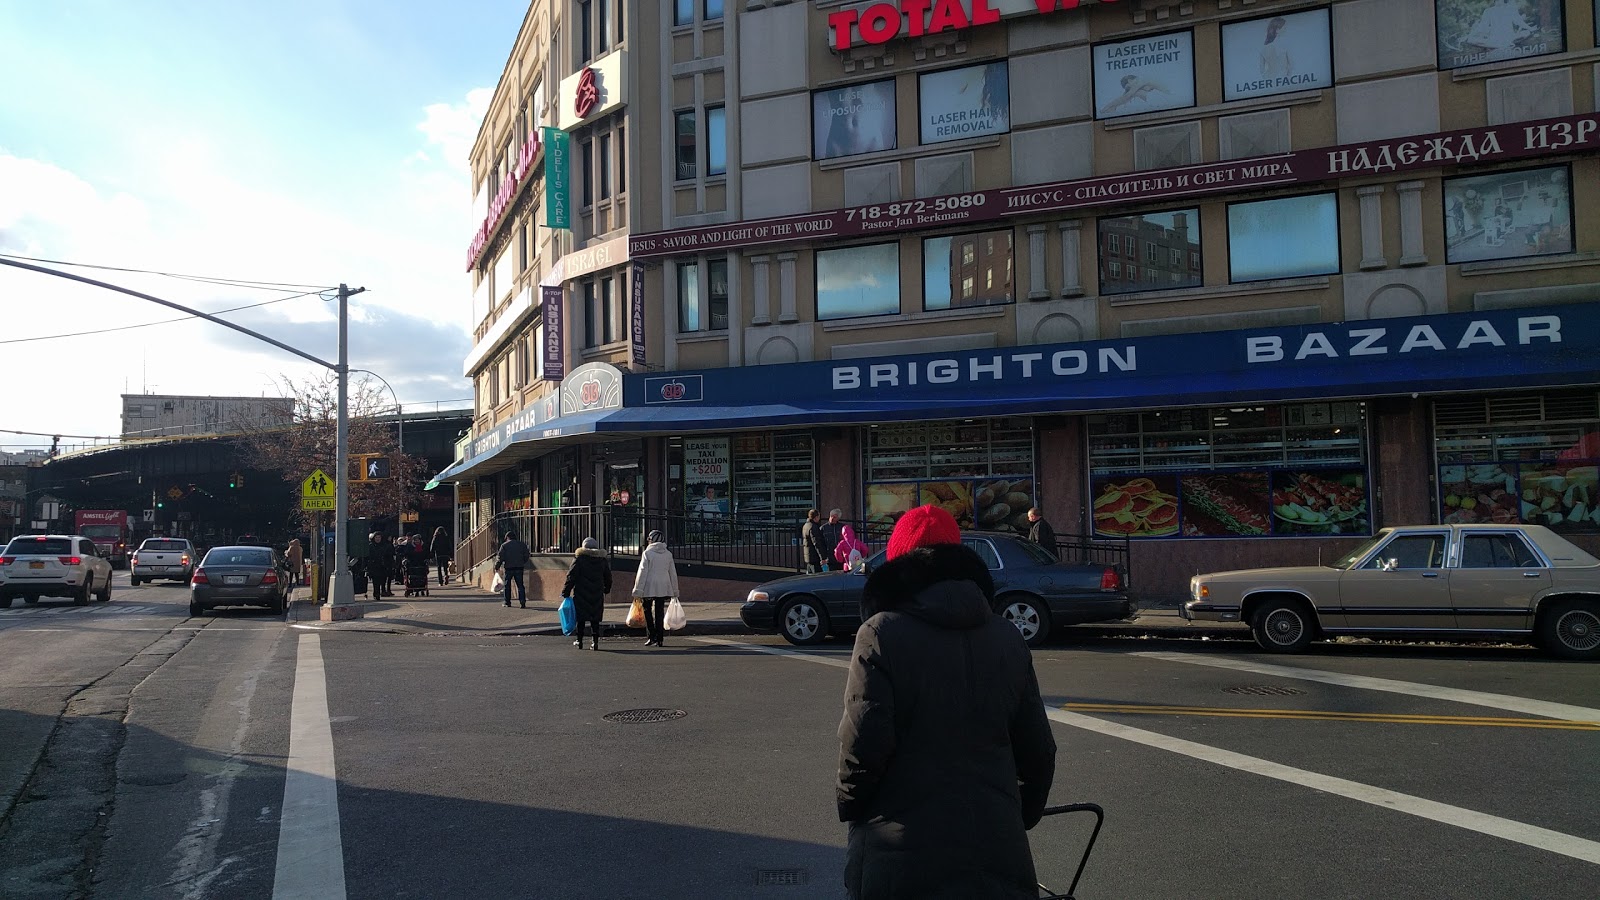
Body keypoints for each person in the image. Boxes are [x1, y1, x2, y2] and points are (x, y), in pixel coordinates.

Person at [836, 505, 1056, 900]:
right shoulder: (1007, 636)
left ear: (901, 562)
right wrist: (1014, 814)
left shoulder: (881, 633)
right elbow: (1038, 750)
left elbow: (864, 743)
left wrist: (852, 807)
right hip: (994, 842)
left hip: (900, 848)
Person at [631, 530, 680, 647]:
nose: (648, 540)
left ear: (652, 539)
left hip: (649, 585)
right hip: (663, 586)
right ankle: (660, 638)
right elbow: (672, 573)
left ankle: (651, 636)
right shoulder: (668, 554)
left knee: (647, 611)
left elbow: (642, 572)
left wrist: (638, 589)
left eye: (649, 538)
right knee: (659, 612)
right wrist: (674, 590)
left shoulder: (647, 553)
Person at [563, 536, 612, 650]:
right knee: (595, 618)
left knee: (580, 618)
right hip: (597, 592)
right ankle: (595, 642)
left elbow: (571, 576)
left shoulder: (579, 559)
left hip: (581, 592)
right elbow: (608, 577)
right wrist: (607, 589)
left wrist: (566, 591)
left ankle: (579, 640)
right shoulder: (602, 560)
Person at [495, 529, 532, 608]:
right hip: (519, 567)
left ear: (507, 537)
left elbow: (500, 558)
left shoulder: (504, 545)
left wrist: (497, 566)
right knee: (520, 585)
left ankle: (507, 602)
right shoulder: (522, 545)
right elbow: (526, 555)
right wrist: (522, 562)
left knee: (507, 585)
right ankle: (522, 602)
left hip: (509, 567)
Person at [365, 532, 391, 601]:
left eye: (379, 537)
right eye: (376, 537)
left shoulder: (385, 546)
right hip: (374, 566)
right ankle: (376, 594)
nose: (378, 539)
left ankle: (382, 591)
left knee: (382, 580)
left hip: (383, 566)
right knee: (375, 581)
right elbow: (367, 557)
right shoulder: (370, 546)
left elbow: (389, 556)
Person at [801, 509, 827, 574]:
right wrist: (822, 557)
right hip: (814, 557)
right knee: (817, 577)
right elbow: (816, 543)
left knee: (810, 577)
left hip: (808, 557)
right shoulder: (813, 527)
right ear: (816, 517)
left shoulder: (805, 526)